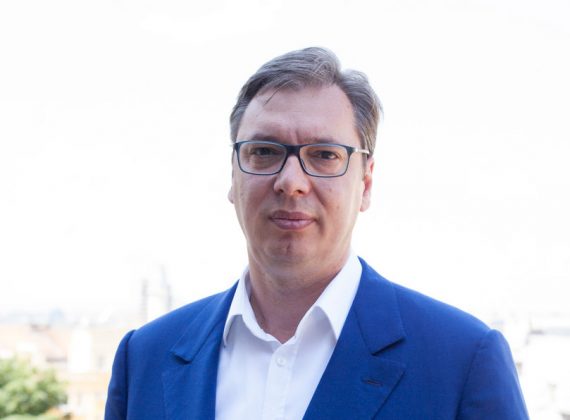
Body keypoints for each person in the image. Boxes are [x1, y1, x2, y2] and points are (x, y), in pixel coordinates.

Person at [105, 47, 529, 419]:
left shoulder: (462, 362)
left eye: (324, 155)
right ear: (233, 175)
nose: (291, 182)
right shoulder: (144, 359)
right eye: (264, 151)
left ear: (365, 183)